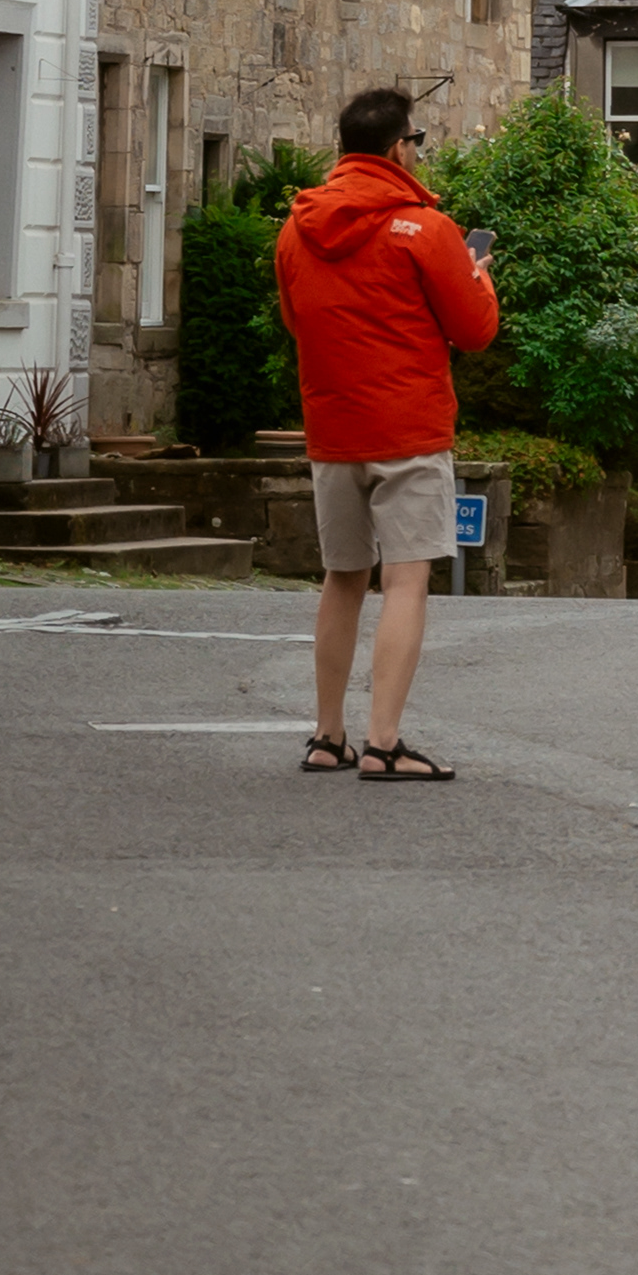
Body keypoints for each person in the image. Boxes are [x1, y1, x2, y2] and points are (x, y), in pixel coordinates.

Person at [274, 87, 500, 781]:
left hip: (333, 426)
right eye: (418, 141)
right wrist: (480, 279)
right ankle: (384, 742)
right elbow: (474, 330)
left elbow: (295, 322)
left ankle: (326, 735)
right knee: (405, 580)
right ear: (401, 146)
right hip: (408, 426)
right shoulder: (424, 230)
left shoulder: (296, 230)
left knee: (342, 578)